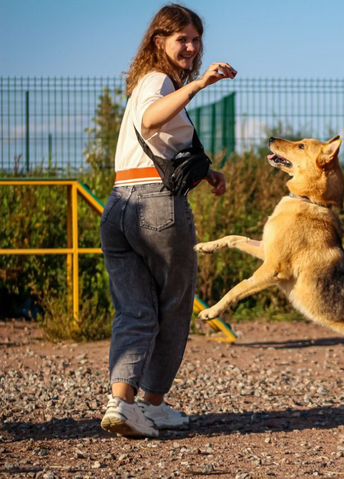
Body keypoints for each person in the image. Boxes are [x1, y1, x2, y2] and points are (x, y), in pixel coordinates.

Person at [99, 3, 236, 437]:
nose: (192, 48)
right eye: (183, 40)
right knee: (174, 308)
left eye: (196, 40)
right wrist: (200, 84)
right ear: (160, 41)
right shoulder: (161, 82)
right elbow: (150, 119)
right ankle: (153, 404)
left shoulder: (144, 81)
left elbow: (154, 140)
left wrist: (206, 172)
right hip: (157, 208)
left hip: (119, 205)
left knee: (135, 311)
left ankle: (122, 405)